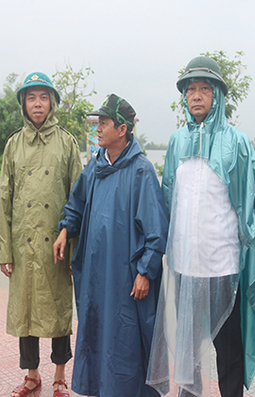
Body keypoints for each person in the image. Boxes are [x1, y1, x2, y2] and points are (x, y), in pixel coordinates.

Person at [147, 56, 255, 397]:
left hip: (223, 268)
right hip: (186, 269)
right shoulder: (176, 143)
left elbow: (250, 207)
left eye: (205, 88)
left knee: (228, 354)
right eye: (191, 89)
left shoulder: (237, 143)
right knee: (189, 354)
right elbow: (168, 202)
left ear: (217, 95)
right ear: (185, 97)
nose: (197, 95)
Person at [53, 94, 169, 397]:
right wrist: (66, 228)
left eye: (104, 123)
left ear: (122, 129)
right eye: (98, 123)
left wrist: (146, 270)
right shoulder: (96, 166)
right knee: (97, 333)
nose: (98, 128)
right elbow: (76, 203)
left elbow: (156, 230)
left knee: (125, 340)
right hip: (96, 274)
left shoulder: (141, 171)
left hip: (125, 279)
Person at [0, 71, 82, 397]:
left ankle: (59, 375)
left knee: (58, 310)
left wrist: (75, 247)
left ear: (53, 102)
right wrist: (4, 250)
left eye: (44, 97)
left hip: (57, 245)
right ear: (23, 104)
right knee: (25, 311)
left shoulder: (67, 143)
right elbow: (5, 198)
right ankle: (32, 375)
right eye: (31, 97)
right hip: (23, 242)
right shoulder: (13, 144)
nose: (38, 104)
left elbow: (78, 196)